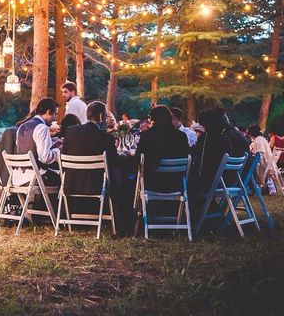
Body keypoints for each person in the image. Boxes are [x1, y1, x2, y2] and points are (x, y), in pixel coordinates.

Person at [63, 101, 136, 236]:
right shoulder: (105, 137)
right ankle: (124, 223)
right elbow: (115, 162)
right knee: (125, 177)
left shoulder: (70, 132)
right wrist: (126, 155)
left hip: (71, 183)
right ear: (101, 117)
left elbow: (64, 154)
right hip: (97, 185)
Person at [136, 106, 190, 193]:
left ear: (153, 119)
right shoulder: (181, 136)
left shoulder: (147, 136)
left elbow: (138, 159)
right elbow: (187, 156)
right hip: (176, 184)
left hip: (152, 184)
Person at [15, 97, 61, 187]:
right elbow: (45, 157)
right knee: (64, 179)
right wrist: (58, 151)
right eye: (55, 114)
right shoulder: (42, 128)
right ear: (48, 112)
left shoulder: (22, 126)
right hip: (36, 177)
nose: (55, 118)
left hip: (18, 176)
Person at [190, 108, 232, 196]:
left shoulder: (205, 138)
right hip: (221, 179)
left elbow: (197, 156)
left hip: (206, 181)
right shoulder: (225, 140)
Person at [247, 125, 277, 195]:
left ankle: (252, 188)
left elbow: (260, 153)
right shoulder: (261, 139)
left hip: (264, 163)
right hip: (267, 162)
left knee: (249, 167)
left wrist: (252, 154)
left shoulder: (258, 140)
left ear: (251, 134)